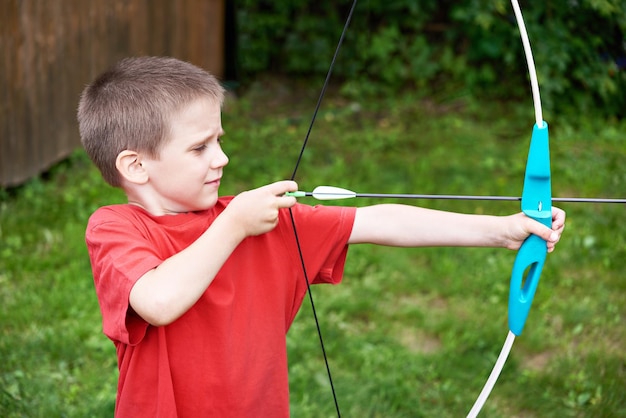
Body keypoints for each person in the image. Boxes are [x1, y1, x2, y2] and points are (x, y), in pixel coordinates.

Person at [77, 56, 565, 417]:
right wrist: (234, 224)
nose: (221, 158)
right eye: (200, 147)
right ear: (135, 166)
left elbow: (376, 222)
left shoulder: (258, 222)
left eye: (220, 141)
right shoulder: (117, 229)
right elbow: (158, 301)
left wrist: (502, 231)